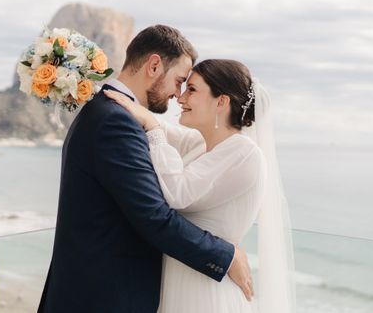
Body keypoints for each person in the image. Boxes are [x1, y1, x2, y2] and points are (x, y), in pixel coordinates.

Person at [38, 25, 254, 313]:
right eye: (179, 81)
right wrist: (226, 256)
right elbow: (154, 217)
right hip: (103, 299)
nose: (178, 95)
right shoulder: (116, 121)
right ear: (154, 66)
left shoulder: (111, 111)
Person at [105, 59, 295, 312]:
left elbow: (177, 193)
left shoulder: (243, 153)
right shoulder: (199, 142)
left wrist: (151, 124)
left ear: (221, 102)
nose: (180, 98)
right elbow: (162, 130)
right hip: (184, 277)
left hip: (206, 289)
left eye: (192, 90)